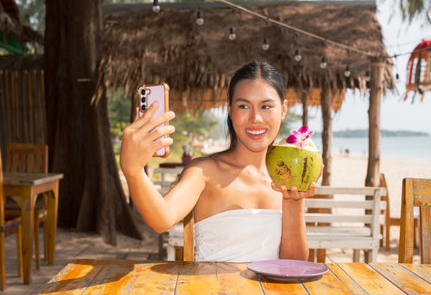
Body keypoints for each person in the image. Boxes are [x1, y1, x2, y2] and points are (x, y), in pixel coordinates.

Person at [120, 61, 320, 262]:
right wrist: (133, 171)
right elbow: (161, 220)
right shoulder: (204, 172)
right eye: (243, 106)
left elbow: (294, 264)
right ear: (230, 110)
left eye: (266, 106)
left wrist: (293, 202)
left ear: (283, 109)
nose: (256, 118)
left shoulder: (286, 177)